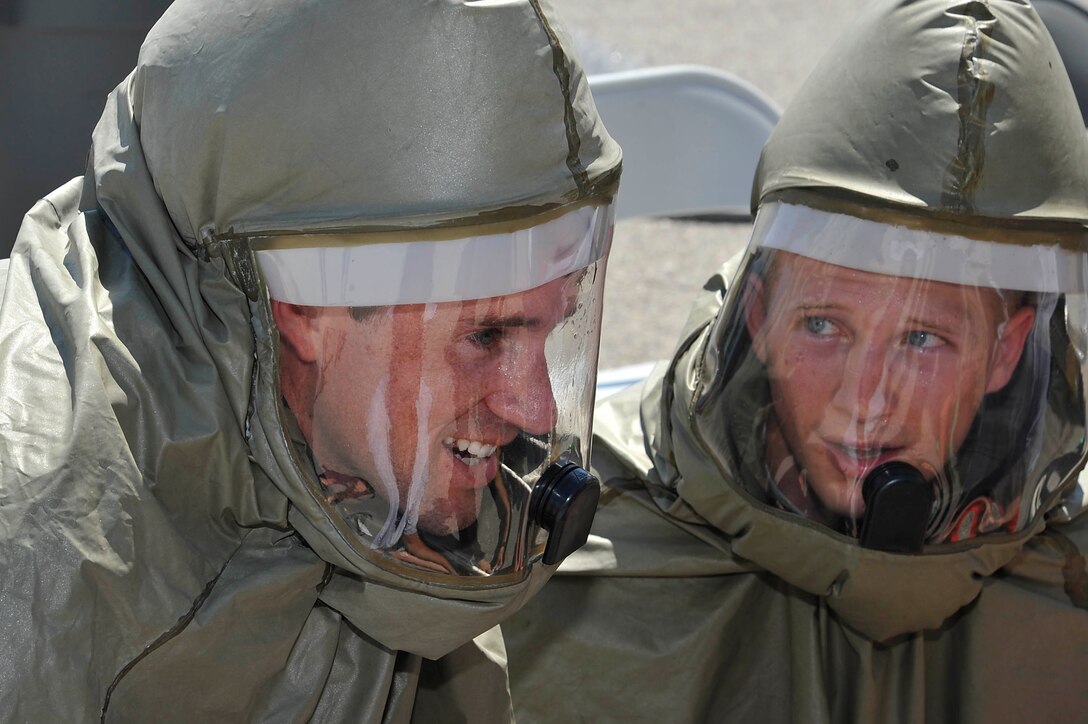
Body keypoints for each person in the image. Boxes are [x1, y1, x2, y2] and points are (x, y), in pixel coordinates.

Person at [0, 0, 621, 720]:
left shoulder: (356, 455)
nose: (536, 409)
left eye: (555, 325)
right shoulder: (41, 560)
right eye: (486, 337)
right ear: (296, 311)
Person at [503, 1, 1088, 721]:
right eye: (822, 324)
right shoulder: (580, 562)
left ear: (1005, 353)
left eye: (921, 339)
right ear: (758, 316)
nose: (864, 399)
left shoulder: (1068, 573)